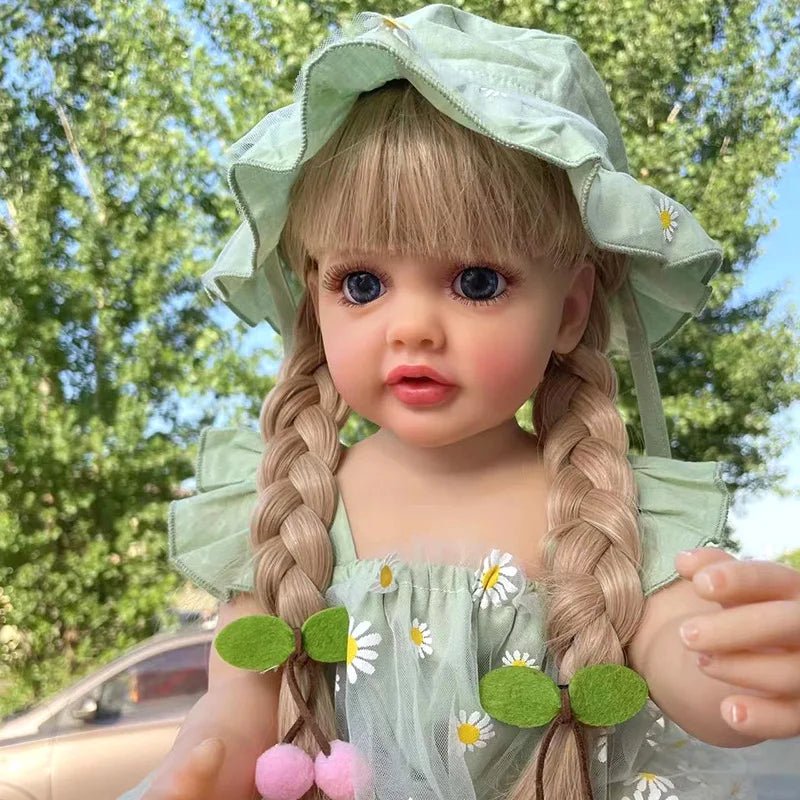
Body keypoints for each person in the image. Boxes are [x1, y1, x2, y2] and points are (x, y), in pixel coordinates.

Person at [119, 6, 800, 800]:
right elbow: (238, 706)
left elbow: (680, 659)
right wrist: (200, 762)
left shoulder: (606, 505)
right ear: (314, 301)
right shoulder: (285, 501)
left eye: (477, 282)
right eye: (361, 284)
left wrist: (734, 663)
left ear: (570, 310)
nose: (411, 327)